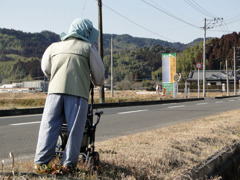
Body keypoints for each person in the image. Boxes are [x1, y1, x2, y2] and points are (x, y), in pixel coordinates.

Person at [34, 18, 104, 169]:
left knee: (49, 127)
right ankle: (68, 166)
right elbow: (99, 77)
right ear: (86, 32)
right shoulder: (88, 48)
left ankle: (40, 164)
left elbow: (46, 69)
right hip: (78, 93)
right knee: (74, 130)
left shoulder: (54, 47)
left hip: (54, 93)